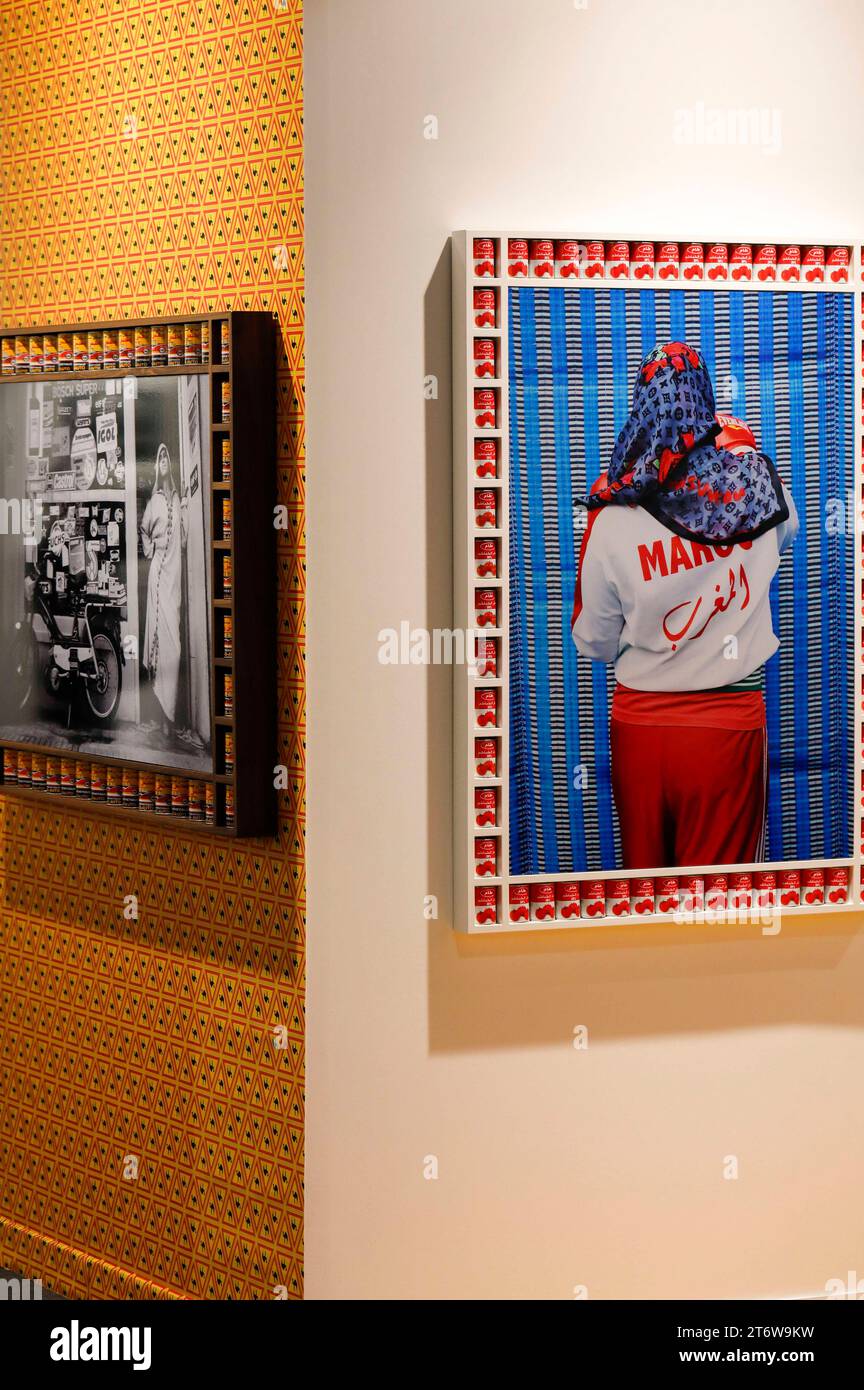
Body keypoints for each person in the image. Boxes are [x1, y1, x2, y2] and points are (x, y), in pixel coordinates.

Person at [571, 341, 798, 870]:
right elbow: (785, 536)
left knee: (645, 900)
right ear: (708, 409)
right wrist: (740, 451)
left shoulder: (611, 513)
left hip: (642, 730)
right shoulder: (760, 489)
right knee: (720, 907)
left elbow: (594, 642)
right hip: (728, 727)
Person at [140, 443, 188, 742]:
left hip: (174, 577)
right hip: (159, 574)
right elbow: (144, 529)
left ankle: (171, 716)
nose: (161, 462)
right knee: (159, 642)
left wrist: (183, 506)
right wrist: (151, 551)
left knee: (175, 643)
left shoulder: (176, 499)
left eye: (165, 458)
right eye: (157, 458)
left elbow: (182, 540)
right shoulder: (155, 501)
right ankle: (162, 720)